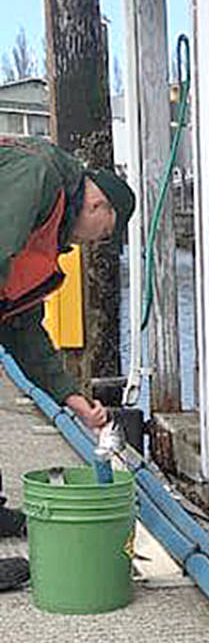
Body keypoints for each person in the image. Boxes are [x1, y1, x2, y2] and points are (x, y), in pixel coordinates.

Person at [0, 135, 135, 591]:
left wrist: (71, 397)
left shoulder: (46, 231)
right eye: (102, 233)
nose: (92, 243)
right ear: (97, 205)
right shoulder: (37, 176)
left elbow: (22, 328)